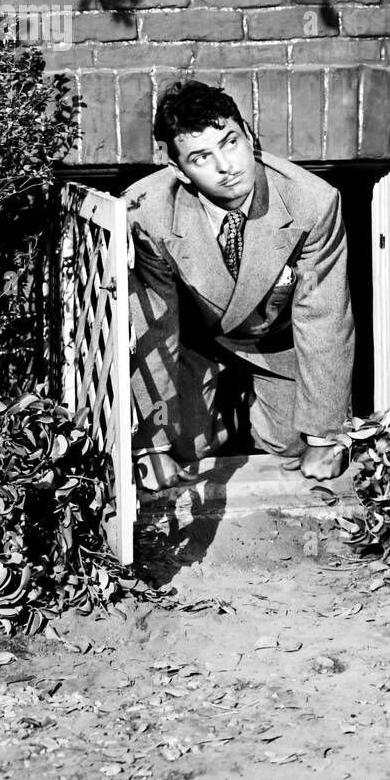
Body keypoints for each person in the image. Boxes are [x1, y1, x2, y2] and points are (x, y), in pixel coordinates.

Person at [125, 80, 354, 488]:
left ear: (249, 135)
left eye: (230, 142)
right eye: (200, 157)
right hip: (195, 342)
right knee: (184, 452)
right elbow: (153, 327)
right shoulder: (148, 213)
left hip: (274, 342)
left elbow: (324, 318)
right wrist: (151, 444)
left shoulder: (312, 203)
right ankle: (216, 417)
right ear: (179, 170)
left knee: (292, 450)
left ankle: (260, 414)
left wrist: (326, 436)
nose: (226, 166)